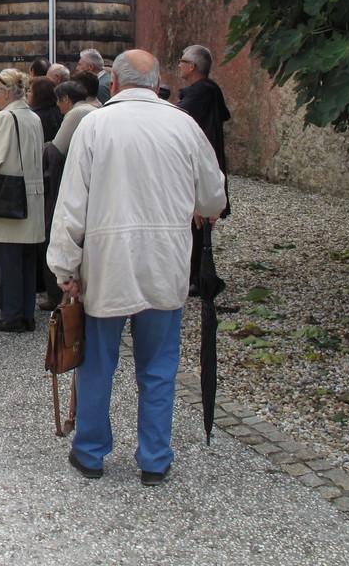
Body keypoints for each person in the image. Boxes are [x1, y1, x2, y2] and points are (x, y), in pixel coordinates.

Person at [48, 49, 227, 486]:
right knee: (159, 366)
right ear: (157, 81)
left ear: (115, 81)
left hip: (106, 265)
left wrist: (65, 266)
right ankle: (154, 457)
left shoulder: (95, 125)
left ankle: (90, 451)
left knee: (96, 363)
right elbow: (212, 199)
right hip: (165, 262)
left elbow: (71, 205)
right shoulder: (183, 125)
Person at [0, 69, 45, 332]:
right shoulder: (32, 116)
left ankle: (12, 316)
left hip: (10, 196)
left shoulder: (6, 118)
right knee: (26, 260)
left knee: (9, 260)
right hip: (32, 195)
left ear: (6, 92)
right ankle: (26, 315)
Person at [176, 44, 231, 295]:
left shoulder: (201, 93)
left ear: (192, 66)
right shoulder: (208, 92)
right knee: (197, 224)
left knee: (197, 223)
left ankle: (198, 276)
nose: (179, 65)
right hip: (206, 163)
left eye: (182, 61)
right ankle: (196, 274)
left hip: (200, 165)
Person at [48, 80, 96, 158]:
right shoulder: (93, 109)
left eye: (58, 99)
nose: (57, 103)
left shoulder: (76, 112)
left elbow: (58, 147)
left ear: (66, 99)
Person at [27, 75, 63, 142]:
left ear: (38, 94)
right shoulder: (59, 110)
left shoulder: (36, 117)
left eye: (29, 91)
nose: (27, 94)